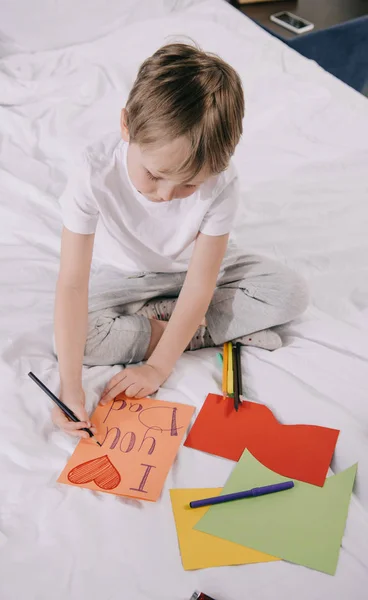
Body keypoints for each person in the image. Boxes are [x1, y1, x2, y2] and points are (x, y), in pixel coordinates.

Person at [53, 43, 308, 438]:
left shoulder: (222, 183)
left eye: (189, 184)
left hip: (193, 274)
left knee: (290, 293)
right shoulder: (93, 173)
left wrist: (158, 367)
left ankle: (173, 324)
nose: (167, 196)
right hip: (125, 276)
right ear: (126, 126)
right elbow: (72, 284)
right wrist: (70, 387)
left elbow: (201, 284)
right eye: (154, 176)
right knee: (76, 341)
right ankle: (199, 330)